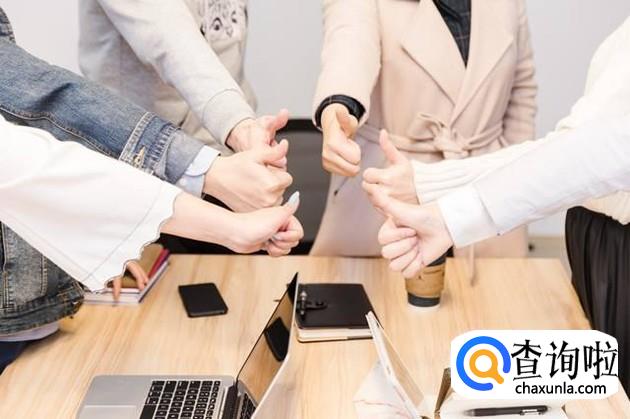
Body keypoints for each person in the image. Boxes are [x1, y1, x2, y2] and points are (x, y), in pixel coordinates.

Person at [365, 16, 630, 390]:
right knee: (603, 396)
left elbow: (605, 152)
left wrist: (450, 218)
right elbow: (573, 145)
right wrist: (427, 181)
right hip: (598, 244)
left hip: (618, 250)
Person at [0, 114, 303, 374]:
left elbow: (43, 167)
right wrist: (229, 218)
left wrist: (110, 241)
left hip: (38, 314)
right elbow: (32, 165)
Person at [310, 0, 537, 257]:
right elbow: (350, 48)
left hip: (487, 193)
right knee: (383, 281)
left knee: (499, 282)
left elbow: (522, 91)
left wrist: (517, 179)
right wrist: (339, 105)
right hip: (392, 192)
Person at [79, 0, 272, 153]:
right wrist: (237, 123)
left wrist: (246, 126)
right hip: (143, 155)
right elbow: (173, 42)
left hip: (227, 145)